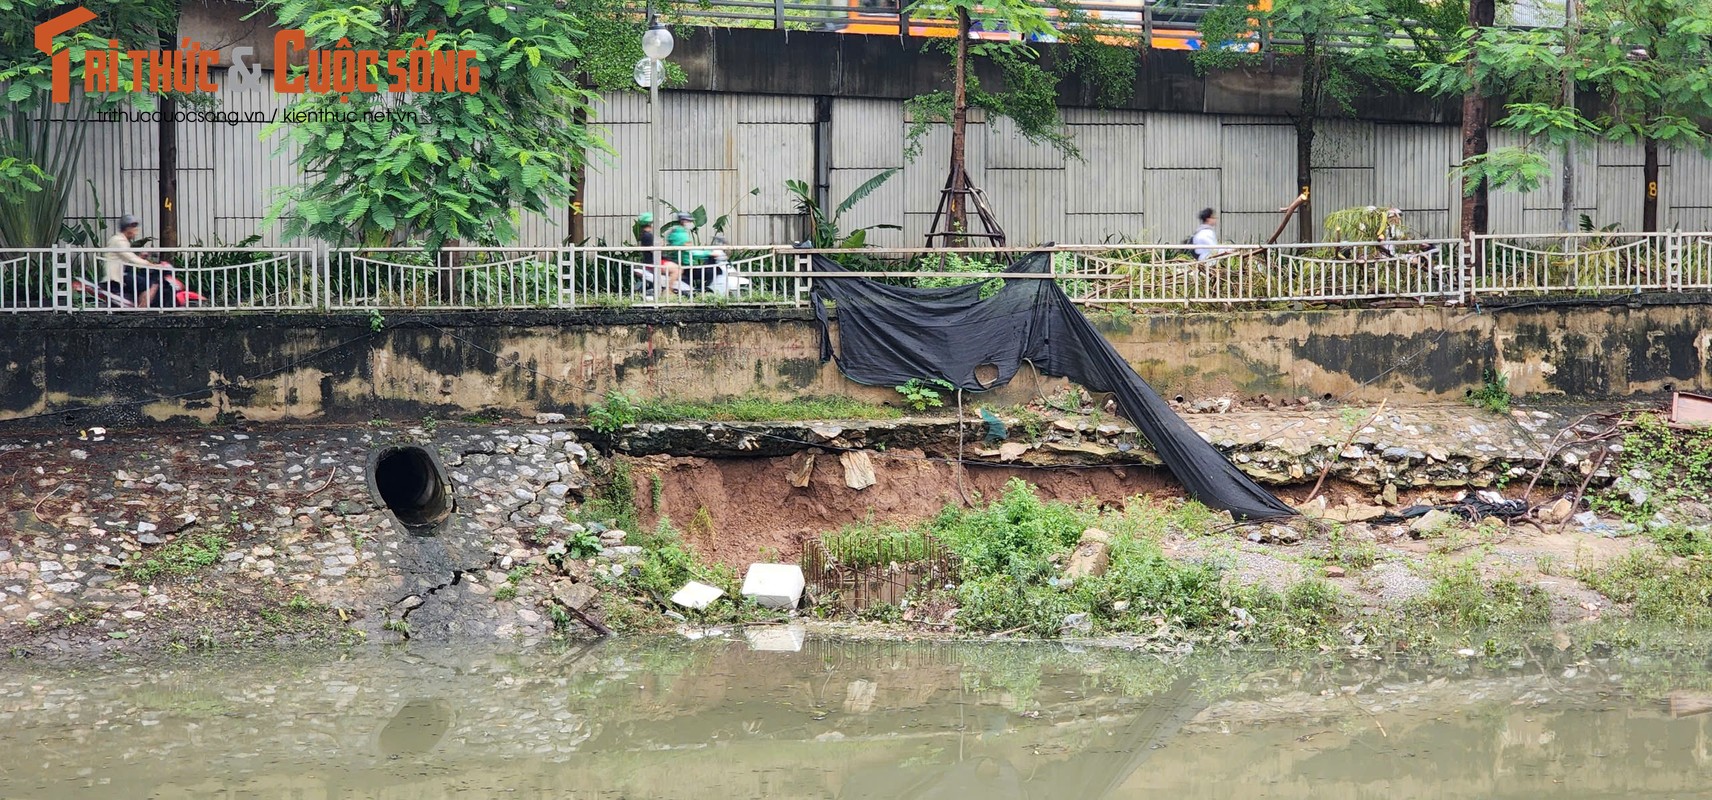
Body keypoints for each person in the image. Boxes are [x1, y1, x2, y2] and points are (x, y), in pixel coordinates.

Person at [103, 214, 171, 308]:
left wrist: (141, 257)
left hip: (121, 274)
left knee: (142, 279)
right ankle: (142, 308)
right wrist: (153, 265)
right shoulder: (119, 241)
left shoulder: (122, 240)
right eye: (134, 228)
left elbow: (128, 258)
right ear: (128, 229)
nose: (136, 231)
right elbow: (132, 259)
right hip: (117, 277)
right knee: (147, 283)